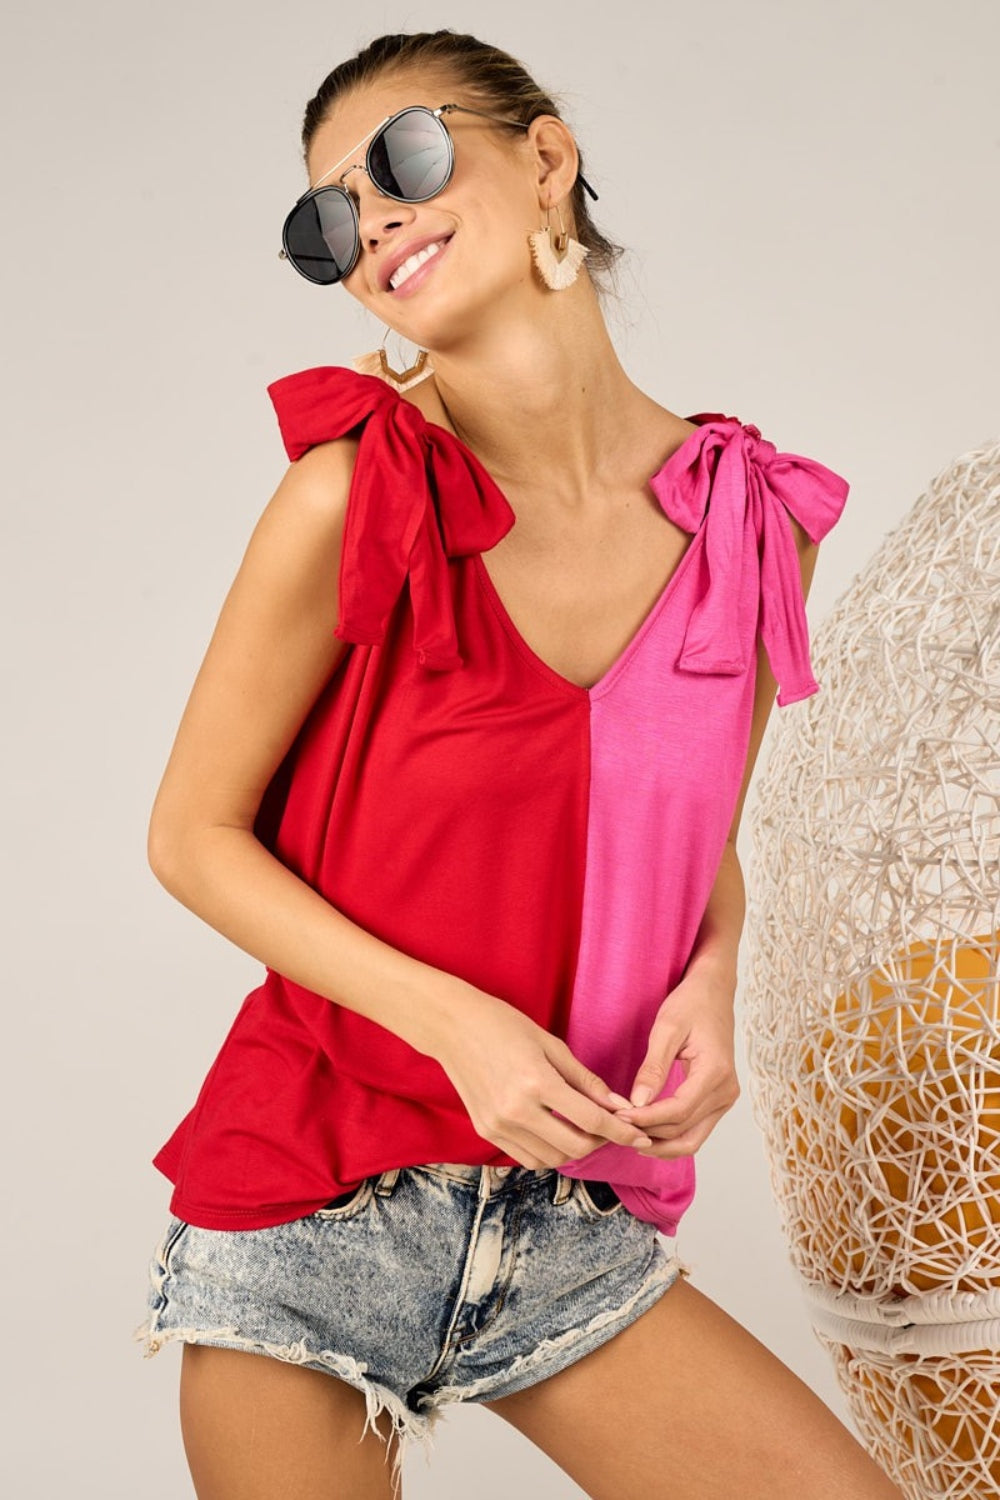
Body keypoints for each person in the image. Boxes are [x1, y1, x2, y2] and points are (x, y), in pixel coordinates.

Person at [136, 28, 904, 1500]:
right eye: (329, 221)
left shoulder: (751, 521)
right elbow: (191, 834)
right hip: (312, 1205)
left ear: (545, 159)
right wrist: (463, 1029)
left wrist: (715, 980)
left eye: (407, 159)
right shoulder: (353, 492)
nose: (375, 222)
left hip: (569, 1219)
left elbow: (691, 826)